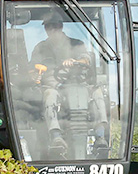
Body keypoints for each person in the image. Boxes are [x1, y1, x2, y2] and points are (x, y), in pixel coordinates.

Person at [29, 14, 107, 157]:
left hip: (79, 84)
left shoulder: (76, 44)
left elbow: (86, 59)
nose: (52, 29)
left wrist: (76, 61)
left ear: (61, 26)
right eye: (48, 27)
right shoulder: (40, 48)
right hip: (54, 87)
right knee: (49, 95)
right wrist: (35, 75)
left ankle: (100, 136)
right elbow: (32, 70)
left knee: (97, 93)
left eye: (55, 26)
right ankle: (56, 137)